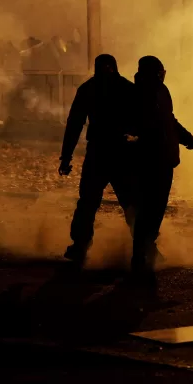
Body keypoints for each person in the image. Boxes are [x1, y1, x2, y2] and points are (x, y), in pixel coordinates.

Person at [59, 54, 137, 265]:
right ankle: (145, 248)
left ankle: (80, 247)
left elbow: (74, 124)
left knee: (90, 202)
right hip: (118, 153)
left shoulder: (89, 89)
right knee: (129, 202)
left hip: (102, 153)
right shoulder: (126, 88)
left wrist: (66, 158)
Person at [131, 55, 193, 277]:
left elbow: (169, 120)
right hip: (153, 158)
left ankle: (146, 251)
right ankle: (142, 255)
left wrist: (184, 137)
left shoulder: (157, 90)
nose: (162, 73)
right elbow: (158, 123)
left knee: (153, 208)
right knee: (151, 207)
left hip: (161, 157)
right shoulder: (143, 92)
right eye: (160, 70)